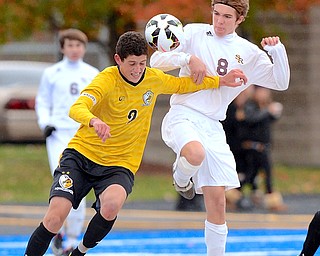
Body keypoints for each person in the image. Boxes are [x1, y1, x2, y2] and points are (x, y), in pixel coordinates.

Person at [24, 31, 247, 256]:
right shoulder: (106, 79)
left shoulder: (153, 79)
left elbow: (183, 85)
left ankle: (79, 252)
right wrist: (93, 120)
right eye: (132, 64)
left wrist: (220, 80)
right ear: (118, 59)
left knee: (111, 206)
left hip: (119, 164)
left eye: (142, 63)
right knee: (55, 217)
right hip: (81, 156)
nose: (138, 69)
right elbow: (77, 107)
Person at [150, 0, 290, 255]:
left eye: (227, 16)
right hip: (184, 114)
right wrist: (188, 58)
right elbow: (157, 60)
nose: (219, 21)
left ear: (239, 20)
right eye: (216, 14)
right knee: (194, 154)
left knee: (217, 202)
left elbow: (281, 82)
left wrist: (277, 51)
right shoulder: (193, 32)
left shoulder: (247, 52)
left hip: (213, 125)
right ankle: (181, 178)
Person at [35, 28, 99, 255]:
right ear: (62, 47)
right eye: (70, 45)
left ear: (84, 47)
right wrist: (45, 124)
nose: (74, 49)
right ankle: (57, 231)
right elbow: (42, 101)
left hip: (82, 135)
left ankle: (71, 239)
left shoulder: (92, 73)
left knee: (79, 187)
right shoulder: (52, 73)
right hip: (59, 134)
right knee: (63, 185)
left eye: (78, 45)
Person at [236, 85, 286, 211]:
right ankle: (234, 195)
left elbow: (270, 119)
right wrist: (267, 111)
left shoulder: (265, 106)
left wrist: (274, 112)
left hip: (263, 147)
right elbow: (251, 119)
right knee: (253, 174)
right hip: (253, 147)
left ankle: (237, 194)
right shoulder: (250, 105)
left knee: (259, 174)